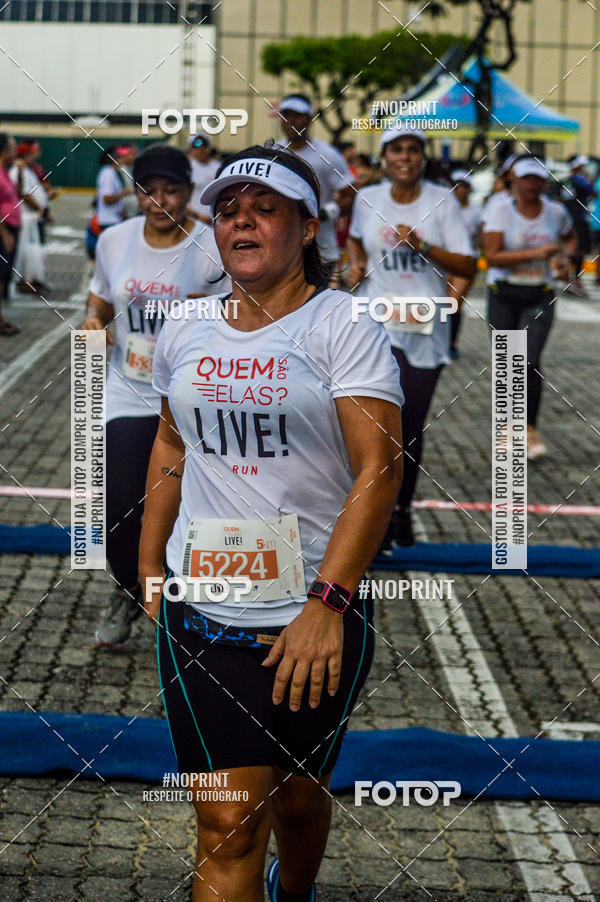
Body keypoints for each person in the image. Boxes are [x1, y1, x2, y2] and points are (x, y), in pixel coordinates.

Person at [139, 143, 403, 902]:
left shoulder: (342, 324)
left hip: (314, 621)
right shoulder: (187, 327)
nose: (242, 223)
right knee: (228, 826)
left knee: (295, 798)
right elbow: (168, 439)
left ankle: (298, 890)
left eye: (265, 209)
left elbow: (378, 471)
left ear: (308, 226)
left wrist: (329, 603)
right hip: (203, 616)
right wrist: (151, 561)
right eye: (228, 211)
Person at [82, 144, 229, 646]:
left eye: (171, 190)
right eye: (148, 190)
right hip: (129, 390)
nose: (159, 201)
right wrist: (93, 323)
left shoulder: (213, 247)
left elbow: (245, 312)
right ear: (136, 192)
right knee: (120, 503)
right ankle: (125, 591)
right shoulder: (115, 240)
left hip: (195, 399)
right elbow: (100, 299)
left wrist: (207, 311)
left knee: (188, 506)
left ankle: (182, 606)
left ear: (189, 192)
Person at [347, 124, 475, 547]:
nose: (405, 157)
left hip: (425, 326)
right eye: (396, 150)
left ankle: (400, 509)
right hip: (376, 323)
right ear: (384, 157)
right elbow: (354, 241)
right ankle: (373, 516)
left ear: (423, 157)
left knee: (408, 425)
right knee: (375, 425)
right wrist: (356, 266)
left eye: (413, 150)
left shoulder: (442, 202)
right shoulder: (369, 199)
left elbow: (468, 265)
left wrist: (425, 248)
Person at [483, 157, 577, 460]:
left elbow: (570, 238)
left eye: (538, 179)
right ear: (515, 180)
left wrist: (566, 259)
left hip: (540, 294)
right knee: (507, 363)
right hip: (503, 293)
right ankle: (508, 427)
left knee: (528, 361)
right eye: (526, 179)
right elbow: (492, 256)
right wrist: (537, 252)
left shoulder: (556, 211)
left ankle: (529, 427)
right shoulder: (499, 209)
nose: (532, 185)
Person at [277, 93, 354, 273]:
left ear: (309, 119)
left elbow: (351, 195)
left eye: (297, 115)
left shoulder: (328, 155)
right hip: (280, 250)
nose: (290, 121)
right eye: (286, 115)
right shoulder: (272, 152)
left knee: (320, 301)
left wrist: (326, 213)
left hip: (321, 251)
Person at [448, 169, 481, 358]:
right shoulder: (443, 207)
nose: (460, 189)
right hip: (444, 259)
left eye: (464, 186)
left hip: (466, 260)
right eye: (457, 185)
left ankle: (451, 342)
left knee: (454, 302)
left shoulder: (476, 211)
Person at [10, 141, 49, 294]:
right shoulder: (17, 171)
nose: (37, 155)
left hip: (33, 217)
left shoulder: (29, 170)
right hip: (26, 217)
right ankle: (23, 281)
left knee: (35, 250)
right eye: (34, 152)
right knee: (25, 251)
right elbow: (23, 194)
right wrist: (40, 208)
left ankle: (32, 279)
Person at [561, 155, 595, 297]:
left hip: (570, 217)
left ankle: (570, 278)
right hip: (578, 219)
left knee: (570, 248)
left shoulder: (567, 179)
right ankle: (574, 279)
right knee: (579, 249)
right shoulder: (579, 179)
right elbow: (593, 191)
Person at [0, 132, 21, 335]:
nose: (15, 153)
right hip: (3, 232)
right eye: (13, 149)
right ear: (4, 151)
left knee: (4, 277)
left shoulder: (6, 172)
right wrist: (4, 233)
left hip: (11, 229)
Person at [96, 145, 134, 229]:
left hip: (115, 219)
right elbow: (107, 199)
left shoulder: (112, 172)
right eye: (120, 158)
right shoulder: (108, 173)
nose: (123, 160)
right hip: (109, 221)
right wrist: (125, 192)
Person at [187, 132, 220, 224]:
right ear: (191, 149)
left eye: (204, 144)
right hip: (194, 222)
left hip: (216, 222)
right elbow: (180, 199)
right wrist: (199, 217)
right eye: (196, 145)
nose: (201, 149)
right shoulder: (187, 168)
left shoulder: (219, 167)